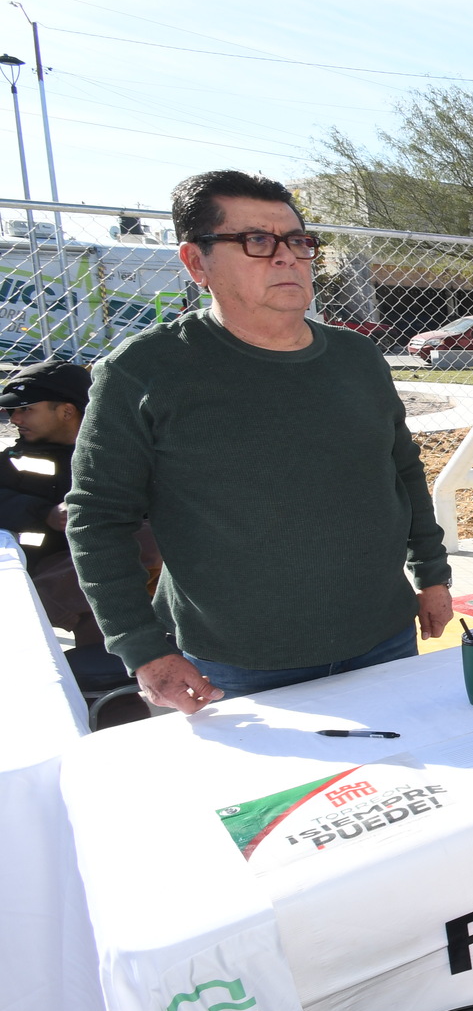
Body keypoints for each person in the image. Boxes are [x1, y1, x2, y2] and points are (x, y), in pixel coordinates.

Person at [67, 170, 451, 712]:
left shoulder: (359, 358)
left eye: (297, 240)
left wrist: (432, 574)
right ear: (196, 263)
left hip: (383, 637)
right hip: (235, 665)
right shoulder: (143, 371)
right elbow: (97, 517)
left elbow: (403, 471)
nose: (287, 257)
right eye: (257, 241)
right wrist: (141, 648)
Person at [0, 361, 117, 647]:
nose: (15, 419)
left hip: (101, 569)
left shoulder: (115, 456)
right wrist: (46, 514)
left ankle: (103, 667)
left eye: (25, 409)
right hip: (37, 570)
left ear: (66, 411)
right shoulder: (14, 460)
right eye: (12, 411)